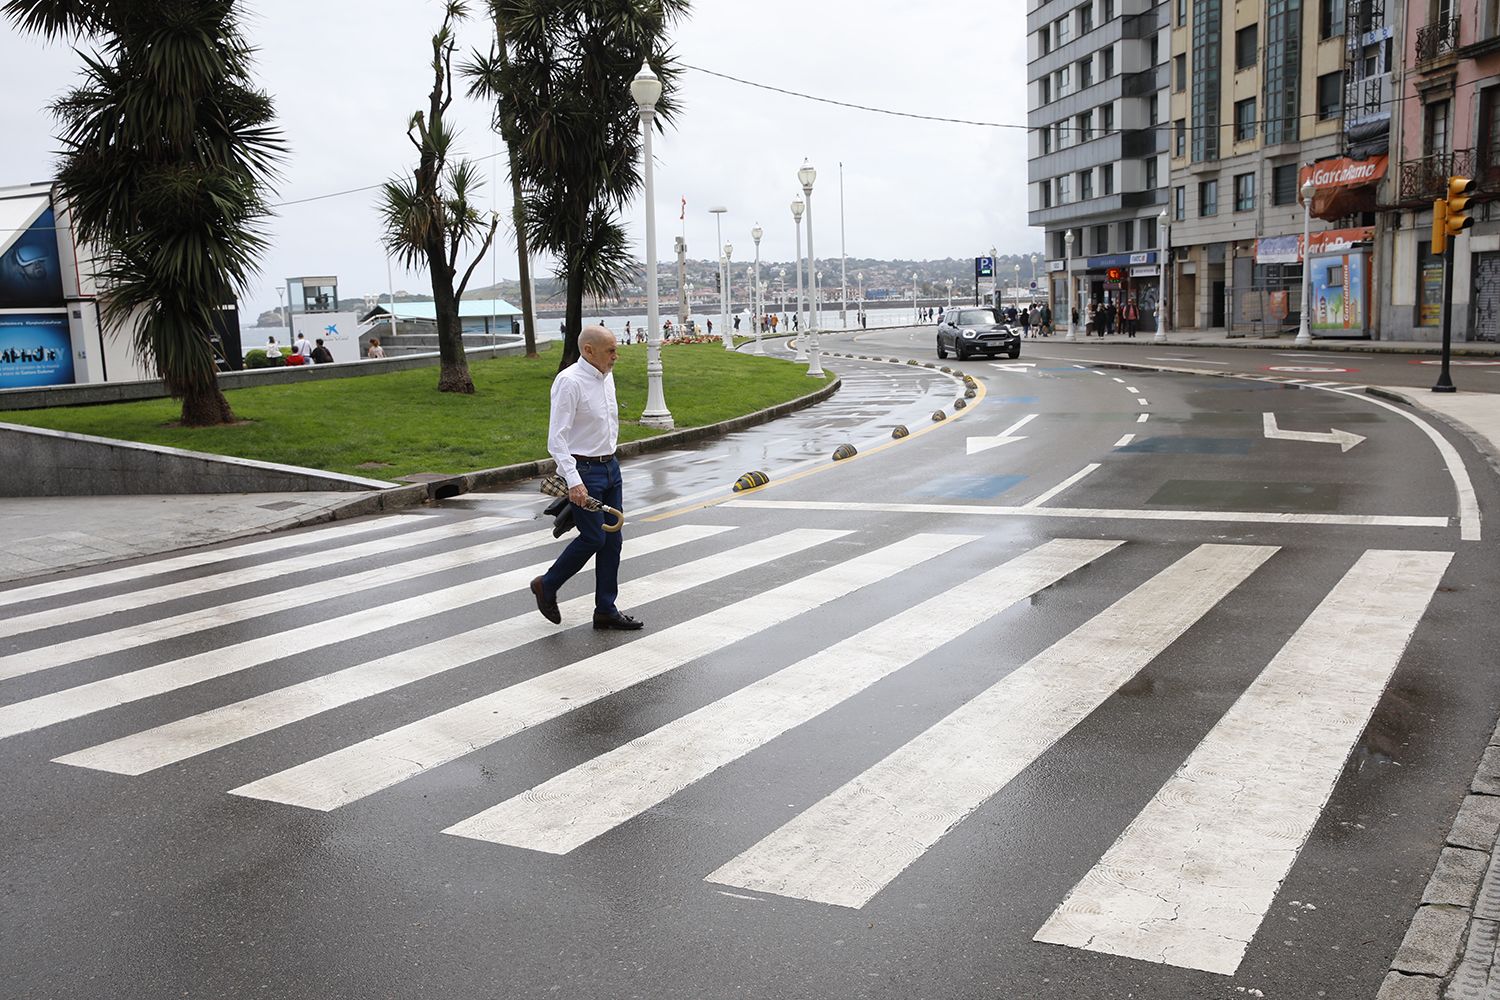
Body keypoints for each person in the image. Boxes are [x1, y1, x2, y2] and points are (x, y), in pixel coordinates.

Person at [531, 325, 642, 631]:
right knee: (594, 537)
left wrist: (611, 461)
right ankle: (547, 584)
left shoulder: (607, 376)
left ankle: (605, 609)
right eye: (611, 351)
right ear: (588, 350)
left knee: (612, 541)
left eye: (616, 350)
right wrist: (574, 481)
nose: (616, 356)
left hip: (610, 467)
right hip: (584, 471)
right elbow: (557, 439)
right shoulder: (569, 382)